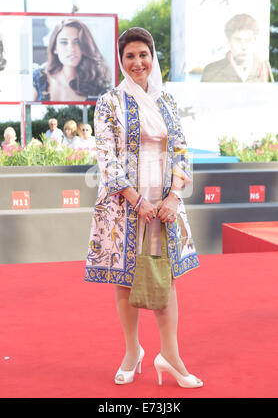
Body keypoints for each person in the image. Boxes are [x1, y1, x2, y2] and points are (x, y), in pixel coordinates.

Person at [85, 27, 203, 388]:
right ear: (121, 62)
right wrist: (136, 200)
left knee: (163, 276)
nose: (138, 62)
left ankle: (170, 355)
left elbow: (181, 148)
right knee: (125, 279)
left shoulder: (167, 101)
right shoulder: (110, 102)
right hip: (126, 206)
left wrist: (173, 197)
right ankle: (132, 351)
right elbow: (105, 156)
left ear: (153, 58)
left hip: (164, 204)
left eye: (143, 54)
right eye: (130, 56)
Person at [33, 18, 111, 102]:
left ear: (85, 46)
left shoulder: (98, 83)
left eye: (77, 42)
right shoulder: (38, 77)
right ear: (55, 48)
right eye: (63, 42)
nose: (71, 49)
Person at [201, 13, 270, 82]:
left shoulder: (263, 69)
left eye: (248, 40)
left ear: (255, 40)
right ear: (228, 41)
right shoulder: (211, 71)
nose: (243, 46)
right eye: (238, 40)